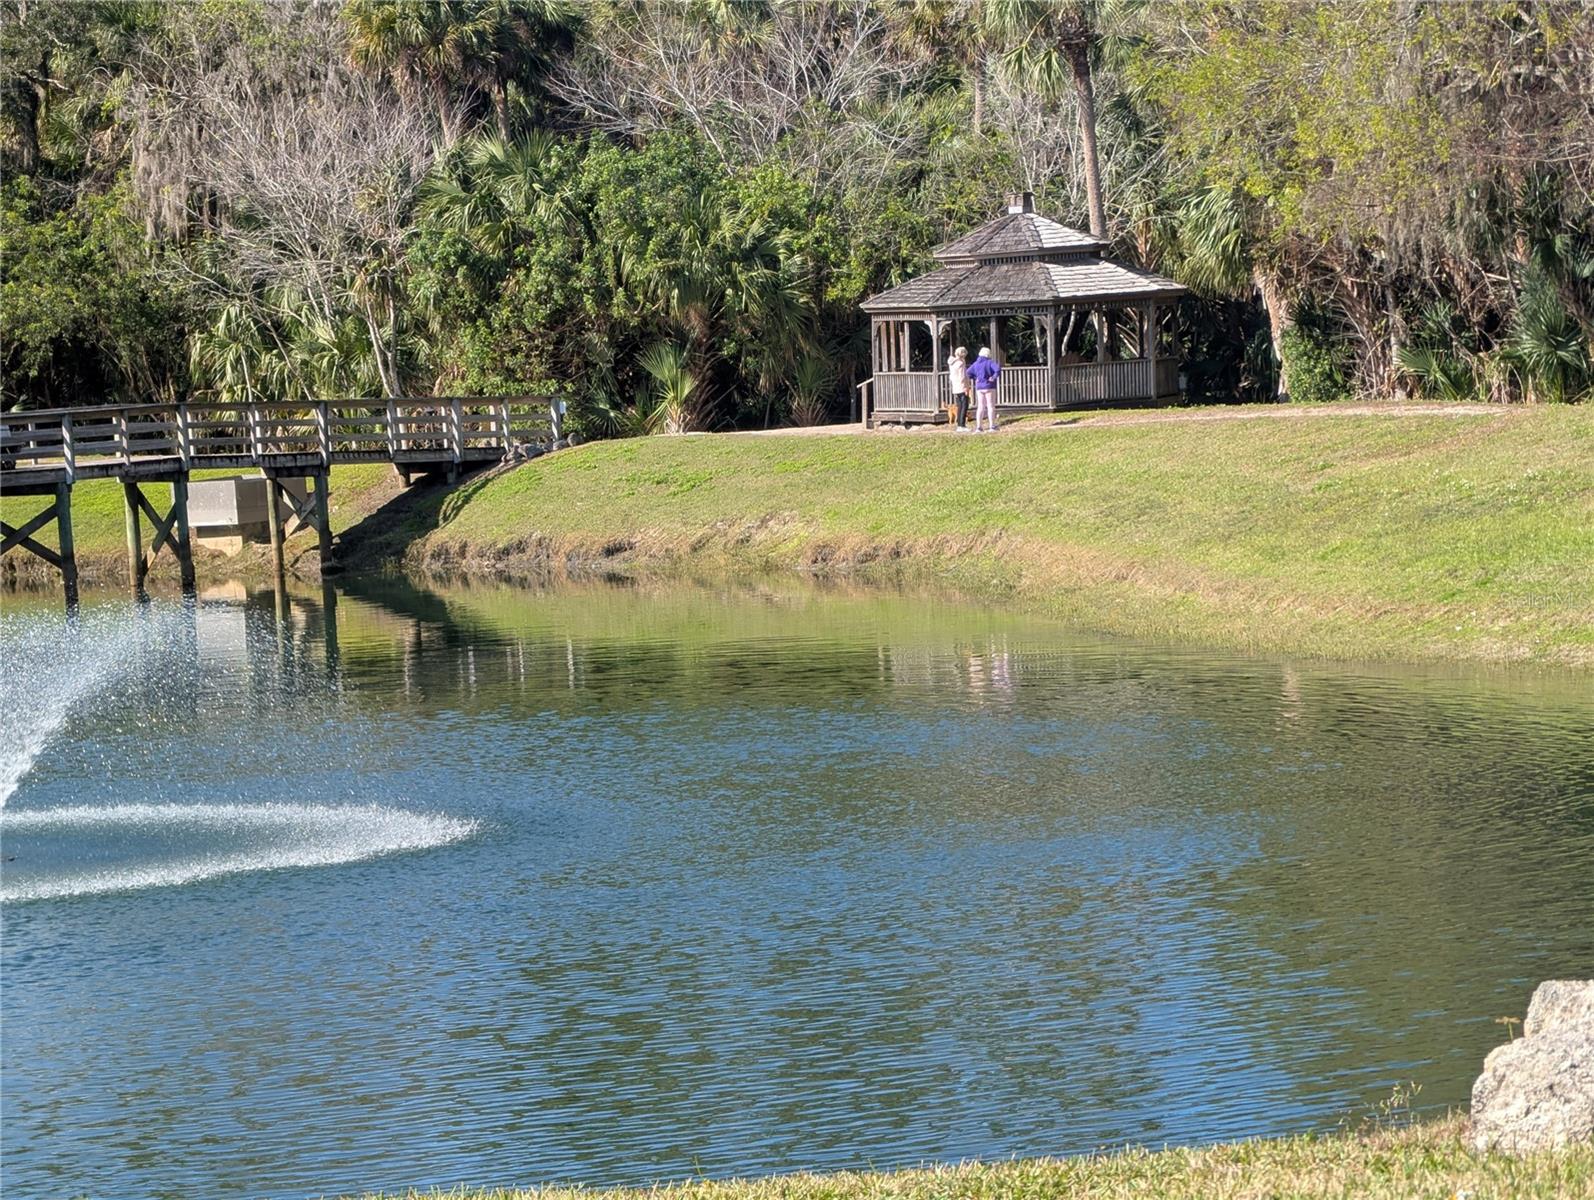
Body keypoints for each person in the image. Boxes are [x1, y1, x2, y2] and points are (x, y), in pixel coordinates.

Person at [967, 346, 1001, 432]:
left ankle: (979, 427)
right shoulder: (990, 362)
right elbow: (998, 369)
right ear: (988, 354)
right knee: (990, 406)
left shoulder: (976, 363)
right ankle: (992, 426)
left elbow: (968, 372)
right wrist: (993, 377)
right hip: (989, 386)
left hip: (979, 387)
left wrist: (975, 378)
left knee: (980, 407)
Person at [946, 345, 970, 430]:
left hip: (955, 387)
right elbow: (962, 376)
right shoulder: (960, 363)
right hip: (961, 386)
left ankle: (959, 425)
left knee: (959, 406)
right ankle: (962, 425)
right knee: (964, 406)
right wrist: (966, 387)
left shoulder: (952, 363)